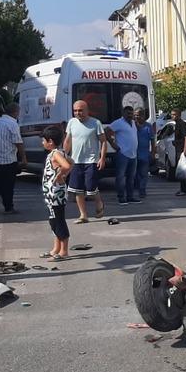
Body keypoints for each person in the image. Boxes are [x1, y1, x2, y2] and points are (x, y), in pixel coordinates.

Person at [63, 100, 107, 223]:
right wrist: (64, 155)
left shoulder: (95, 123)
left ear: (87, 110)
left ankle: (99, 203)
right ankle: (83, 215)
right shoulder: (71, 122)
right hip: (75, 161)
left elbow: (103, 141)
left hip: (91, 161)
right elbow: (67, 140)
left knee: (91, 188)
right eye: (75, 110)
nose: (78, 113)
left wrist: (102, 158)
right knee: (77, 190)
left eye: (81, 110)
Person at [0, 103, 26, 215]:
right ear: (16, 112)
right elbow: (18, 142)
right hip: (8, 159)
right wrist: (23, 158)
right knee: (8, 185)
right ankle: (6, 206)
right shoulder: (13, 124)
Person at [40, 126, 72, 261]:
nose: (42, 143)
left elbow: (67, 165)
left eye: (43, 140)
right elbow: (72, 162)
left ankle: (64, 250)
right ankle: (56, 248)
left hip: (56, 194)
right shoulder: (58, 152)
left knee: (58, 221)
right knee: (53, 220)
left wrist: (60, 176)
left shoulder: (56, 154)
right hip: (51, 194)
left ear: (50, 141)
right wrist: (62, 174)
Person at [107, 106, 139, 205]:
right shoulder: (118, 122)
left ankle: (130, 197)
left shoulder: (133, 123)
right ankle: (121, 197)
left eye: (131, 113)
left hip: (133, 154)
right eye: (128, 113)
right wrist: (113, 145)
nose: (130, 115)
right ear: (123, 113)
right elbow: (106, 131)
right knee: (120, 177)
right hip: (123, 154)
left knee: (131, 177)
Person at [134, 108, 155, 199]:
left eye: (138, 115)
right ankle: (137, 188)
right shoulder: (132, 126)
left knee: (144, 174)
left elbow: (153, 140)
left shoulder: (148, 126)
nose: (136, 117)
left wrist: (153, 152)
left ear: (143, 116)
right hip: (133, 154)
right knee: (135, 174)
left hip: (144, 155)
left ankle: (142, 190)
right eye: (135, 115)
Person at [172, 108, 186, 196]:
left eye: (174, 114)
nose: (172, 116)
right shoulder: (176, 124)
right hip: (178, 149)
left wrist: (185, 152)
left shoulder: (182, 124)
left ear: (179, 115)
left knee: (184, 170)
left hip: (182, 151)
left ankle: (185, 190)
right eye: (172, 114)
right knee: (181, 170)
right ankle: (182, 189)